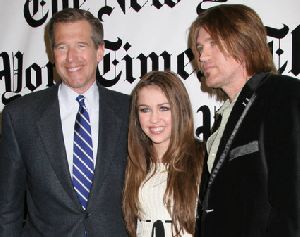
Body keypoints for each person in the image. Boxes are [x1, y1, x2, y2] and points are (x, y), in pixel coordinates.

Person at [0, 8, 129, 237]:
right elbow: (7, 208)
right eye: (62, 47)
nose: (71, 58)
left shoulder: (130, 111)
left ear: (99, 51)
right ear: (52, 53)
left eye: (81, 45)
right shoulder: (19, 116)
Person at [188, 4, 300, 237]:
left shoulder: (283, 94)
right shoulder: (223, 118)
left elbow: (293, 202)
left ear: (244, 41)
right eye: (199, 48)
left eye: (213, 44)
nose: (202, 56)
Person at [122, 71, 204, 237]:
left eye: (164, 108)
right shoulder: (135, 162)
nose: (154, 119)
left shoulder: (204, 159)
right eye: (145, 110)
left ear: (180, 110)